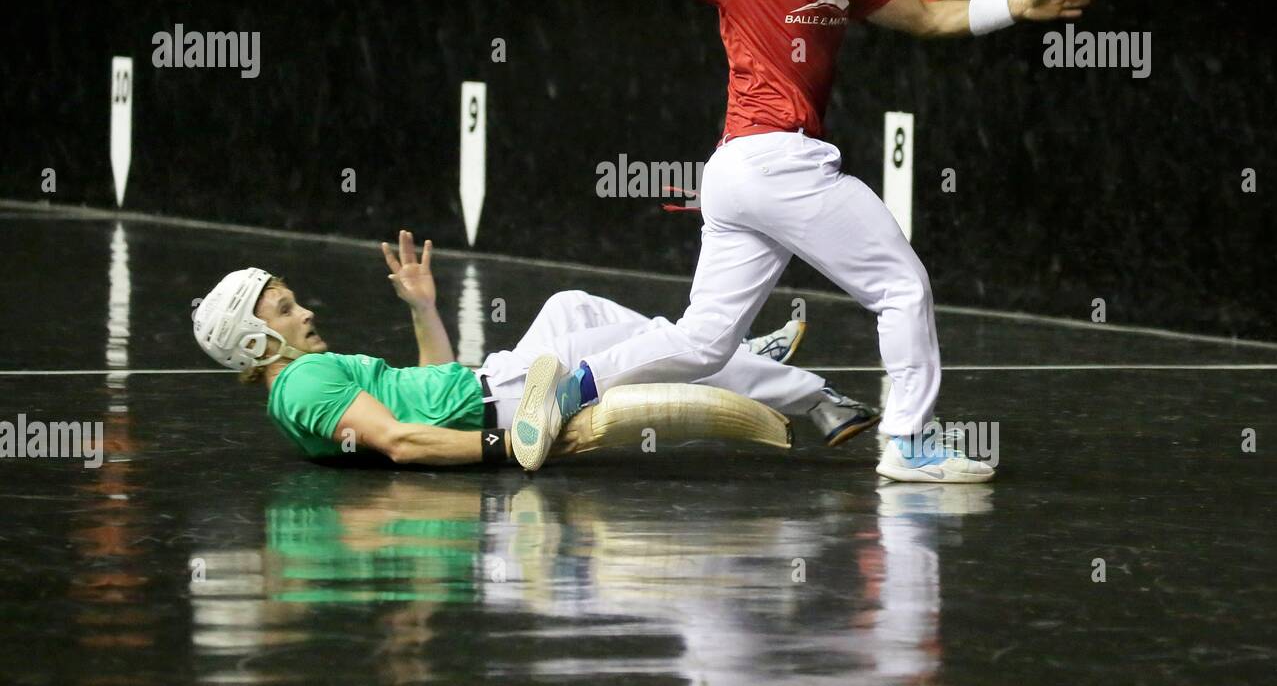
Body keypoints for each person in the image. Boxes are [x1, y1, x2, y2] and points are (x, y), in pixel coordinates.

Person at [511, 0, 1095, 483]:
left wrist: (1016, 6)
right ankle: (906, 440)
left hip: (737, 174)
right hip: (773, 159)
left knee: (705, 340)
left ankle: (571, 387)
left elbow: (929, 19)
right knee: (900, 285)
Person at [192, 229, 879, 470]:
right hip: (519, 403)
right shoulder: (303, 384)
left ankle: (727, 356)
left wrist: (424, 308)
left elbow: (430, 384)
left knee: (570, 306)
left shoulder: (302, 384)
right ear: (254, 342)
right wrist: (515, 445)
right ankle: (821, 400)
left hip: (495, 382)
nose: (305, 310)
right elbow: (401, 441)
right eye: (286, 309)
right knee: (672, 343)